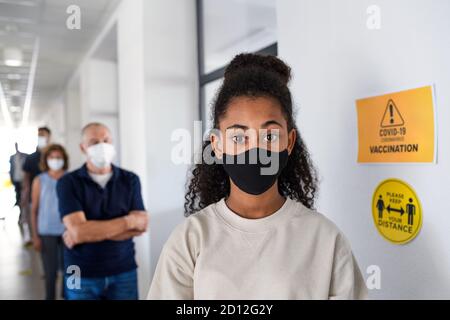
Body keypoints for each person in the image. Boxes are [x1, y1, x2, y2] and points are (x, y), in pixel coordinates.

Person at [148, 53, 367, 300]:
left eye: (270, 136)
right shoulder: (190, 239)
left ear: (289, 141)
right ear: (217, 145)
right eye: (238, 138)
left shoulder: (326, 240)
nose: (255, 152)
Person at [56, 122, 148, 300]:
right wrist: (128, 222)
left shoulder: (130, 180)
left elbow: (141, 225)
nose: (102, 146)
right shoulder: (68, 182)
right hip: (79, 271)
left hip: (124, 270)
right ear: (83, 148)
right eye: (94, 142)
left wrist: (87, 231)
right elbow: (78, 231)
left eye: (106, 140)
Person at [30, 144, 68, 300]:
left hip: (69, 232)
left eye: (59, 157)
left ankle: (71, 297)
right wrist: (35, 236)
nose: (55, 160)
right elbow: (34, 210)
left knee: (72, 271)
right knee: (50, 274)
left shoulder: (71, 178)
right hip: (46, 233)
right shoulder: (40, 180)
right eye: (52, 157)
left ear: (64, 159)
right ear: (46, 160)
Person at [21, 127, 52, 244]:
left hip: (51, 196)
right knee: (35, 219)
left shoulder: (54, 156)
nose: (41, 138)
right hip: (35, 196)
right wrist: (25, 195)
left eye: (43, 135)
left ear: (49, 137)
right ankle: (36, 238)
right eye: (39, 135)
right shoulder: (30, 158)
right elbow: (26, 179)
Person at [9, 142, 27, 207]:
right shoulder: (12, 157)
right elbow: (11, 168)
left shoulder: (25, 156)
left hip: (23, 178)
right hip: (16, 177)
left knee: (24, 192)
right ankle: (19, 203)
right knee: (17, 191)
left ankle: (23, 204)